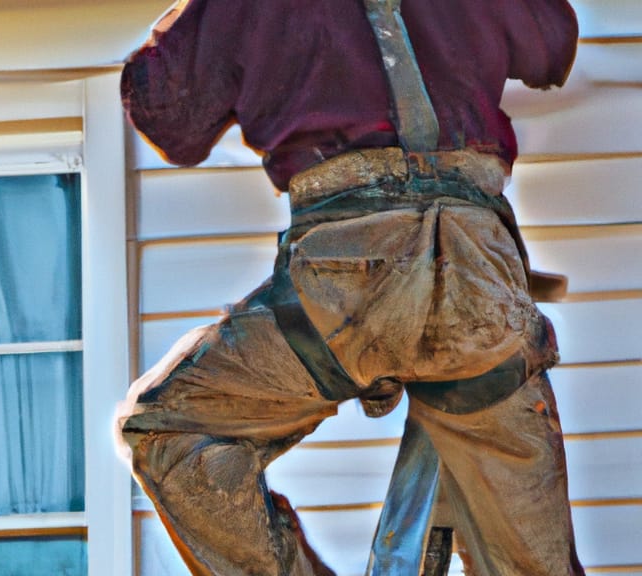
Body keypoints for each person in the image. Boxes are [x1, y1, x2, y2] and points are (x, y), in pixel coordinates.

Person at [115, 0, 584, 574]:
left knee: (164, 426)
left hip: (346, 277)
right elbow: (550, 45)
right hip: (478, 274)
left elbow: (168, 116)